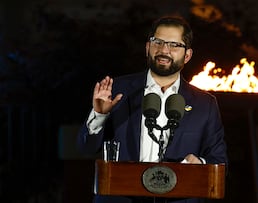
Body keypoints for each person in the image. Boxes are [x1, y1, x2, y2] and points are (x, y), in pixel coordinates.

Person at [77, 15, 228, 203]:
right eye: (158, 42)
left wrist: (200, 164)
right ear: (148, 47)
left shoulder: (205, 104)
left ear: (187, 55)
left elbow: (219, 161)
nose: (164, 50)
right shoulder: (116, 91)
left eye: (174, 45)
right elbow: (86, 148)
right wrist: (99, 114)